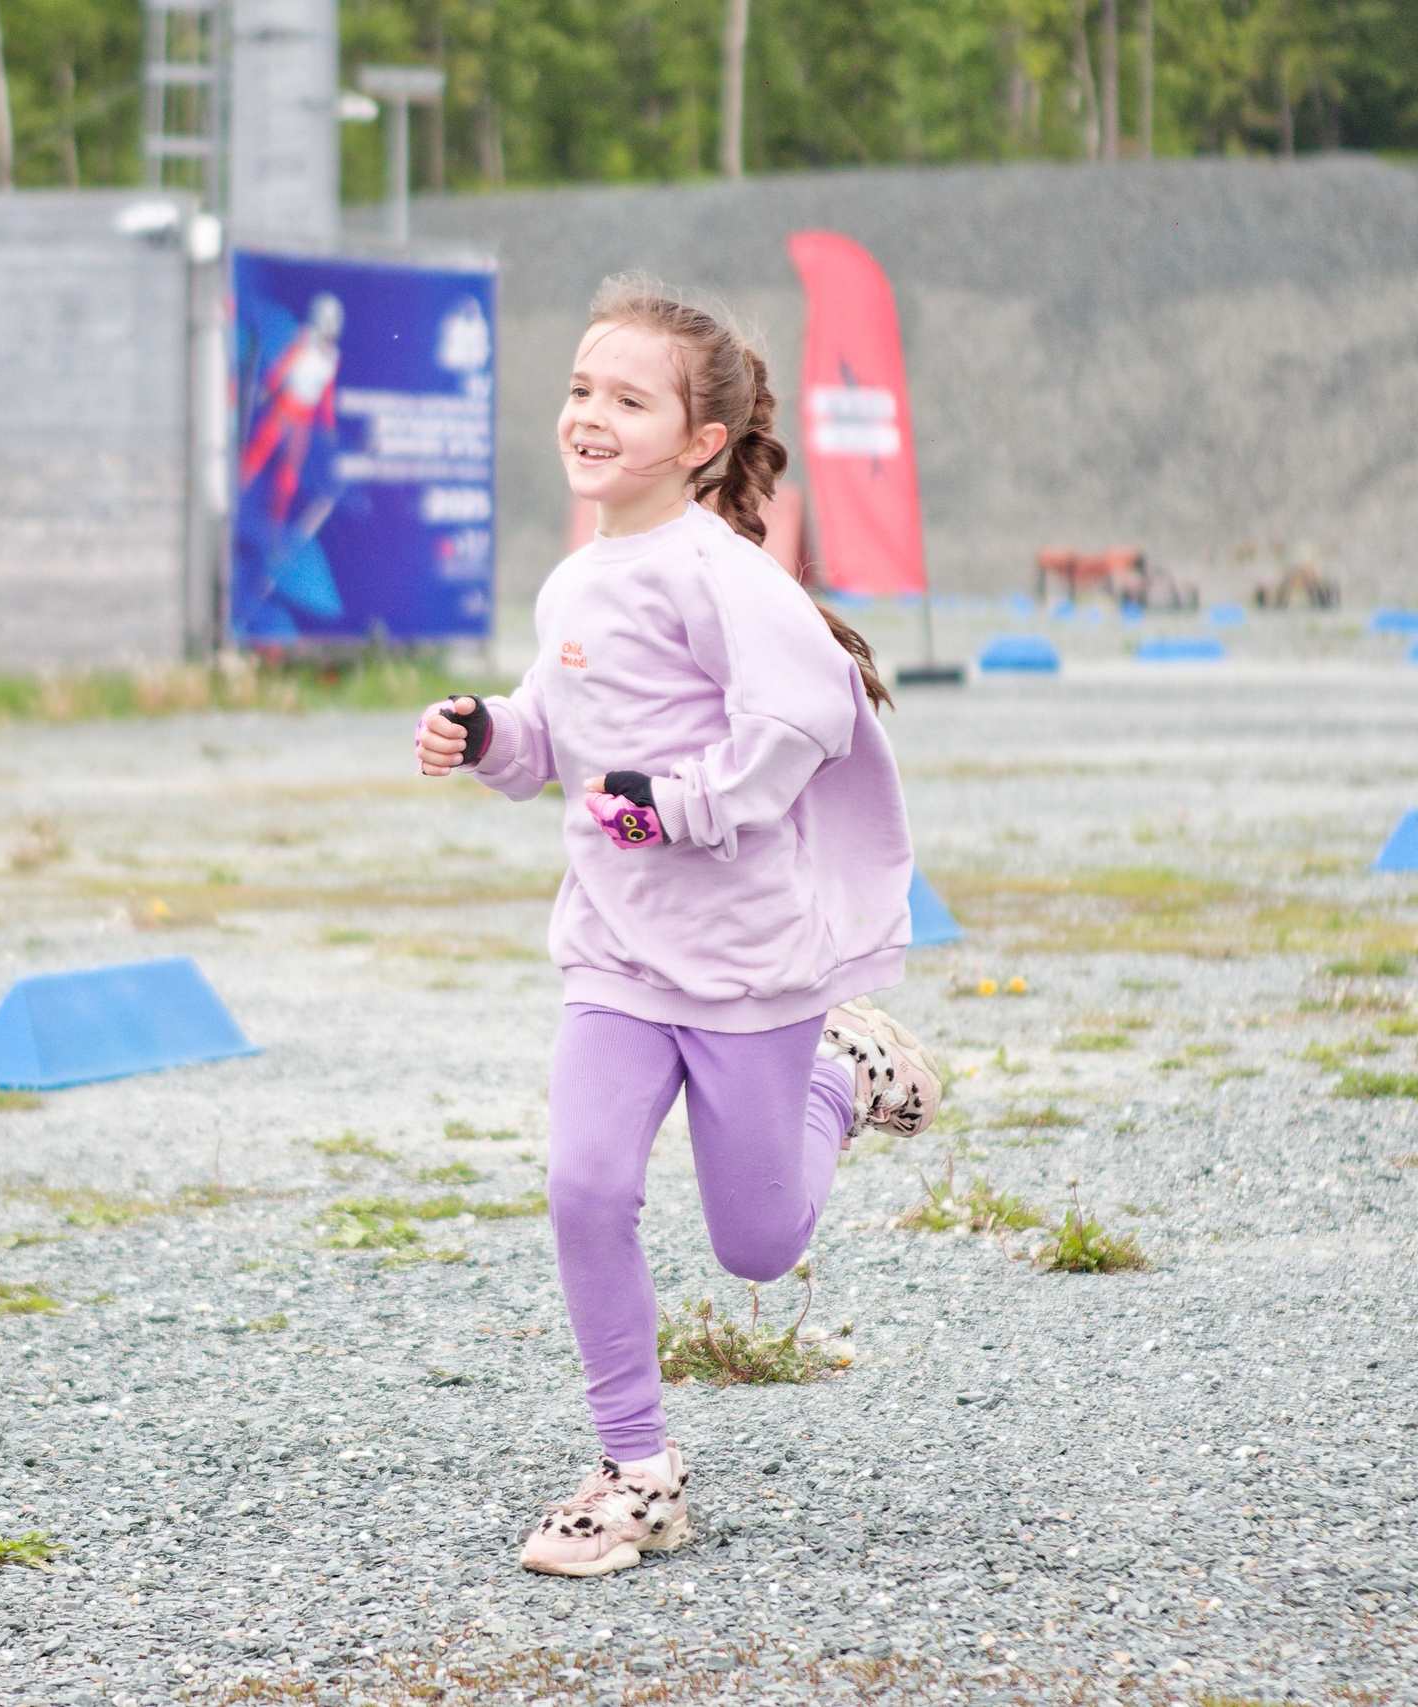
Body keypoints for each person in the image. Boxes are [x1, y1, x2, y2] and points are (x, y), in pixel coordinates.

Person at [411, 273, 943, 1578]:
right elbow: (556, 736)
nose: (590, 416)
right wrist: (489, 734)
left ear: (700, 442)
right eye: (582, 390)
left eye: (627, 399)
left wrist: (689, 808)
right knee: (585, 1187)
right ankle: (635, 1475)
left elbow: (807, 716)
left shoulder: (725, 577)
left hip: (748, 969)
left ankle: (836, 1078)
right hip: (614, 958)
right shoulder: (576, 582)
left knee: (757, 1248)